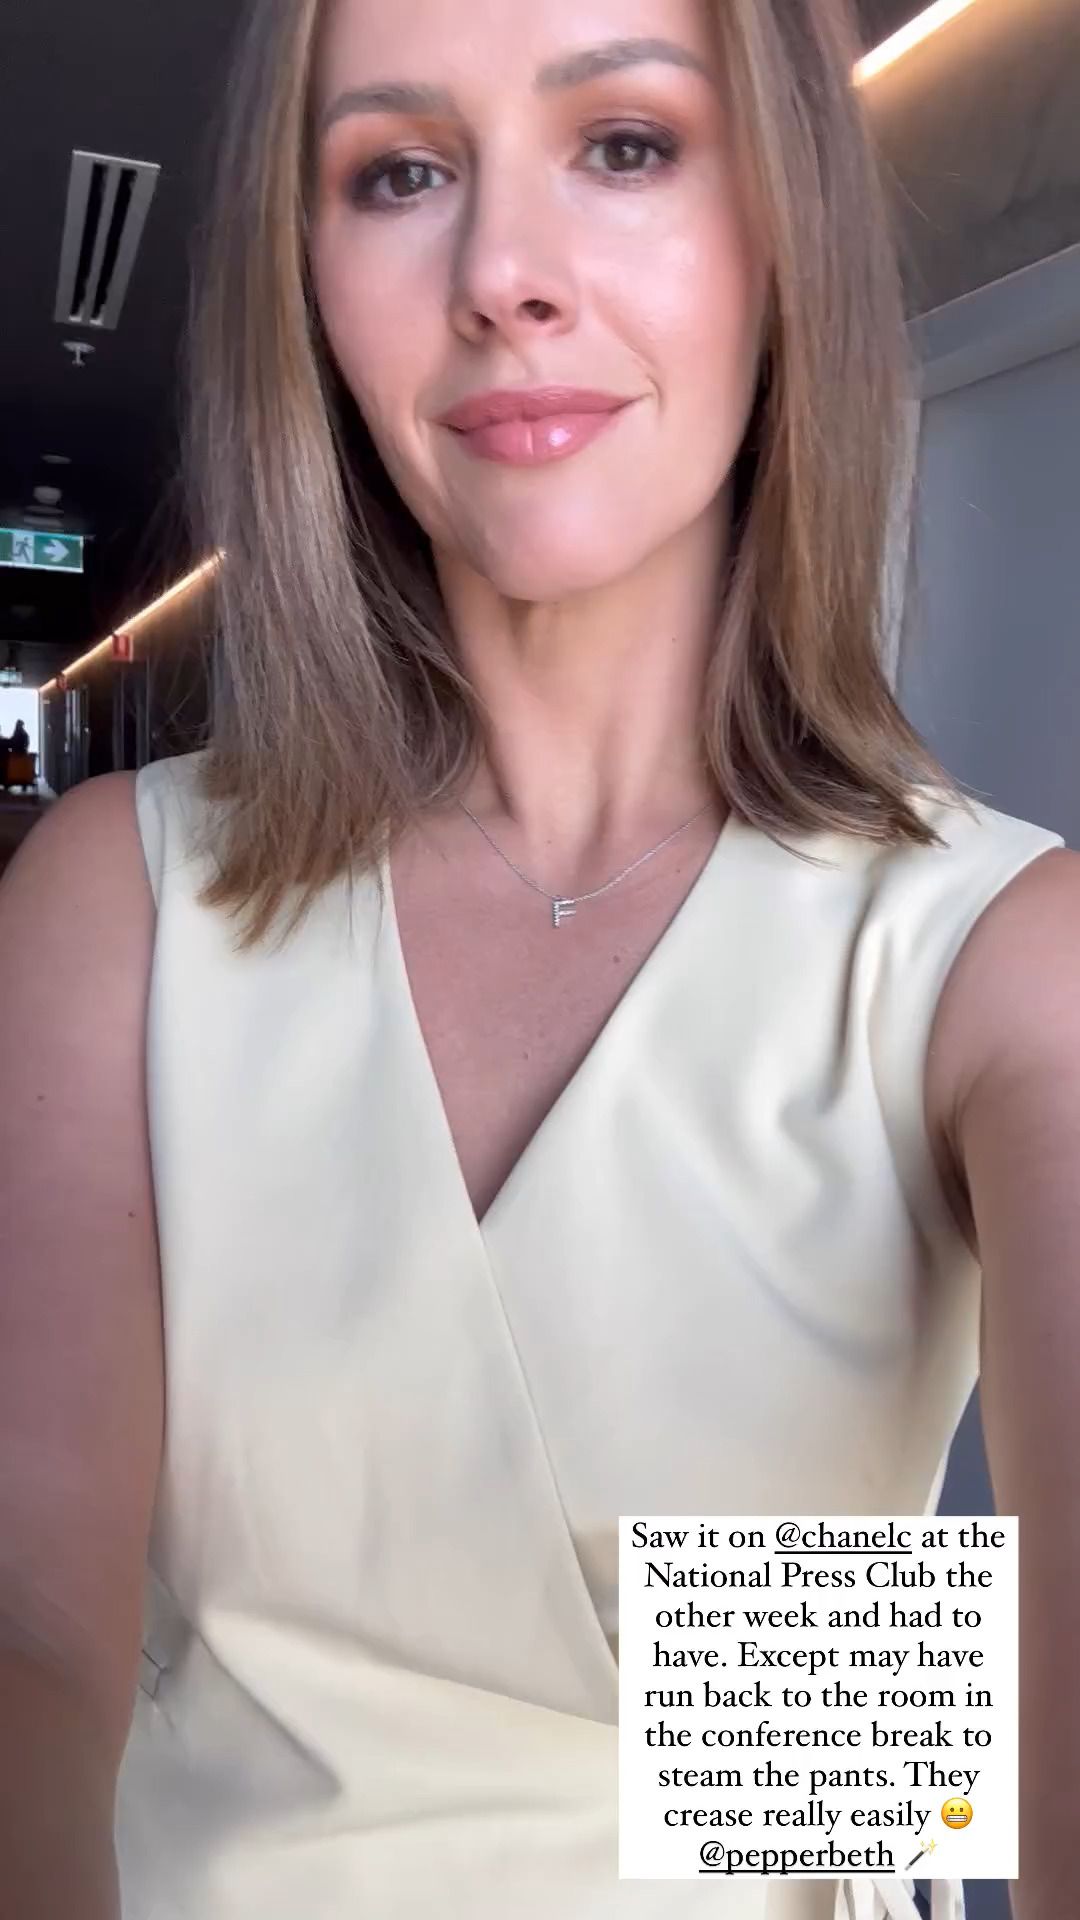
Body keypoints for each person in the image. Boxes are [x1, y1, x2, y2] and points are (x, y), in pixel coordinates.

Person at [0, 1, 1077, 1917]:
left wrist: (843, 1752)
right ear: (307, 286)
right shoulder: (122, 898)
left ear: (784, 232)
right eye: (401, 172)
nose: (503, 272)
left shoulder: (995, 963)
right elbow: (40, 1631)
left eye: (628, 145)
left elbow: (928, 1759)